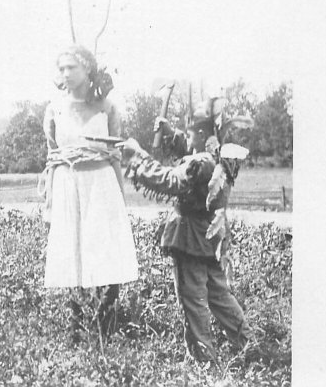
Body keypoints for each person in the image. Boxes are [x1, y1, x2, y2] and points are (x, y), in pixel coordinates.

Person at [116, 98, 251, 364]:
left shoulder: (200, 163)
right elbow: (190, 148)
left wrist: (137, 155)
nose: (185, 137)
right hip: (209, 237)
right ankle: (248, 344)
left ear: (201, 134)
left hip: (190, 238)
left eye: (189, 132)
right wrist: (169, 132)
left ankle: (204, 361)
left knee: (193, 302)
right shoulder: (219, 154)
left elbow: (172, 179)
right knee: (219, 296)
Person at [40, 45, 139, 344]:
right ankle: (77, 326)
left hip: (101, 184)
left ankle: (105, 322)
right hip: (68, 184)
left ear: (87, 69)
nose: (65, 74)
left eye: (71, 67)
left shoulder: (107, 107)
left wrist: (121, 199)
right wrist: (49, 203)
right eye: (61, 69)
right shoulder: (53, 109)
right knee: (73, 252)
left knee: (106, 250)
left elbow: (115, 156)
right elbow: (51, 157)